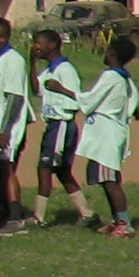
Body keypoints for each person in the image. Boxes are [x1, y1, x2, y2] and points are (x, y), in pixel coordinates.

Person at [77, 32, 139, 234]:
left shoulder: (111, 76)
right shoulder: (126, 79)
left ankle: (124, 224)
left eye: (107, 50)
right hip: (114, 133)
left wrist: (62, 90)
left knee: (110, 181)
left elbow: (89, 100)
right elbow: (137, 110)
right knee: (107, 179)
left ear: (112, 53)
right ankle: (117, 220)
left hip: (106, 136)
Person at [33, 27, 86, 224]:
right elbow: (35, 89)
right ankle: (86, 212)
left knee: (44, 168)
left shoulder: (65, 70)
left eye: (39, 43)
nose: (36, 47)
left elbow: (76, 100)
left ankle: (39, 216)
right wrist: (31, 63)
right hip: (53, 125)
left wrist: (60, 89)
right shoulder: (49, 70)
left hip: (61, 124)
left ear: (53, 45)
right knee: (63, 171)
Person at [0, 11, 34, 236]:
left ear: (8, 36)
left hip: (8, 126)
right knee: (0, 169)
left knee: (7, 169)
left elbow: (15, 98)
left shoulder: (14, 60)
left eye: (0, 36)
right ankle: (2, 210)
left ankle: (15, 218)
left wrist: (4, 130)